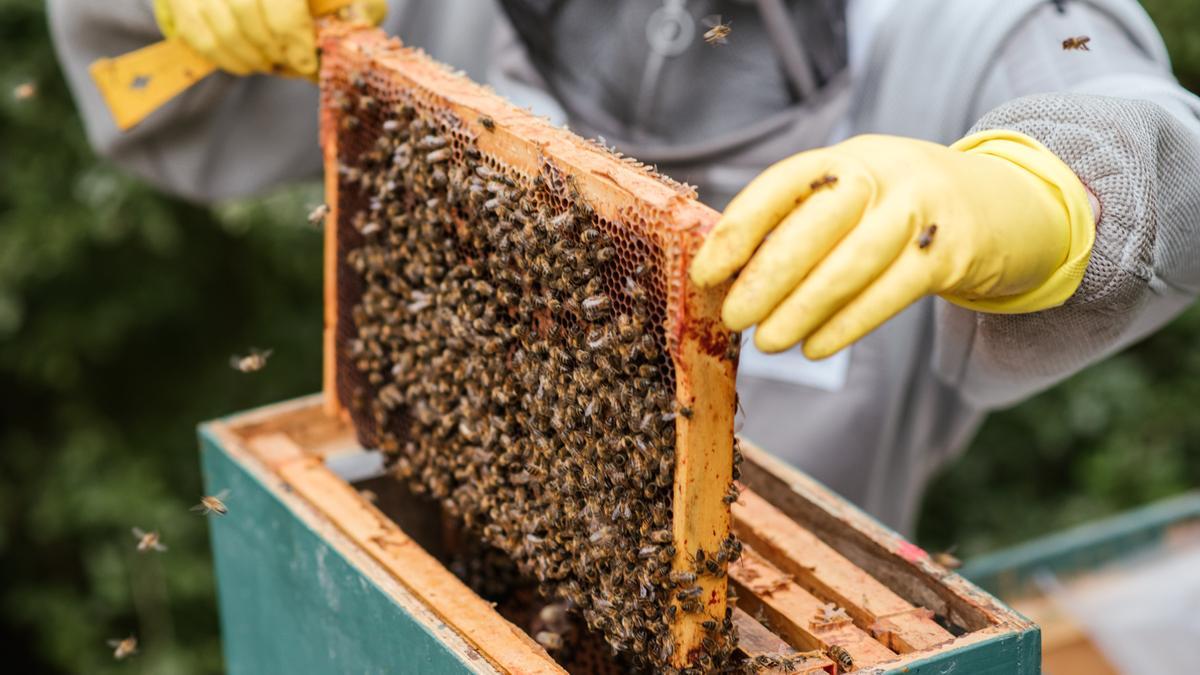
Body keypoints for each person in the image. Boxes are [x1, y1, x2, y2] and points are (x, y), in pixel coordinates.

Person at [49, 0, 1200, 533]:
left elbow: (1154, 140)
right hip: (424, 571)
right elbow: (142, 88)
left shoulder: (972, 29)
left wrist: (1036, 193)